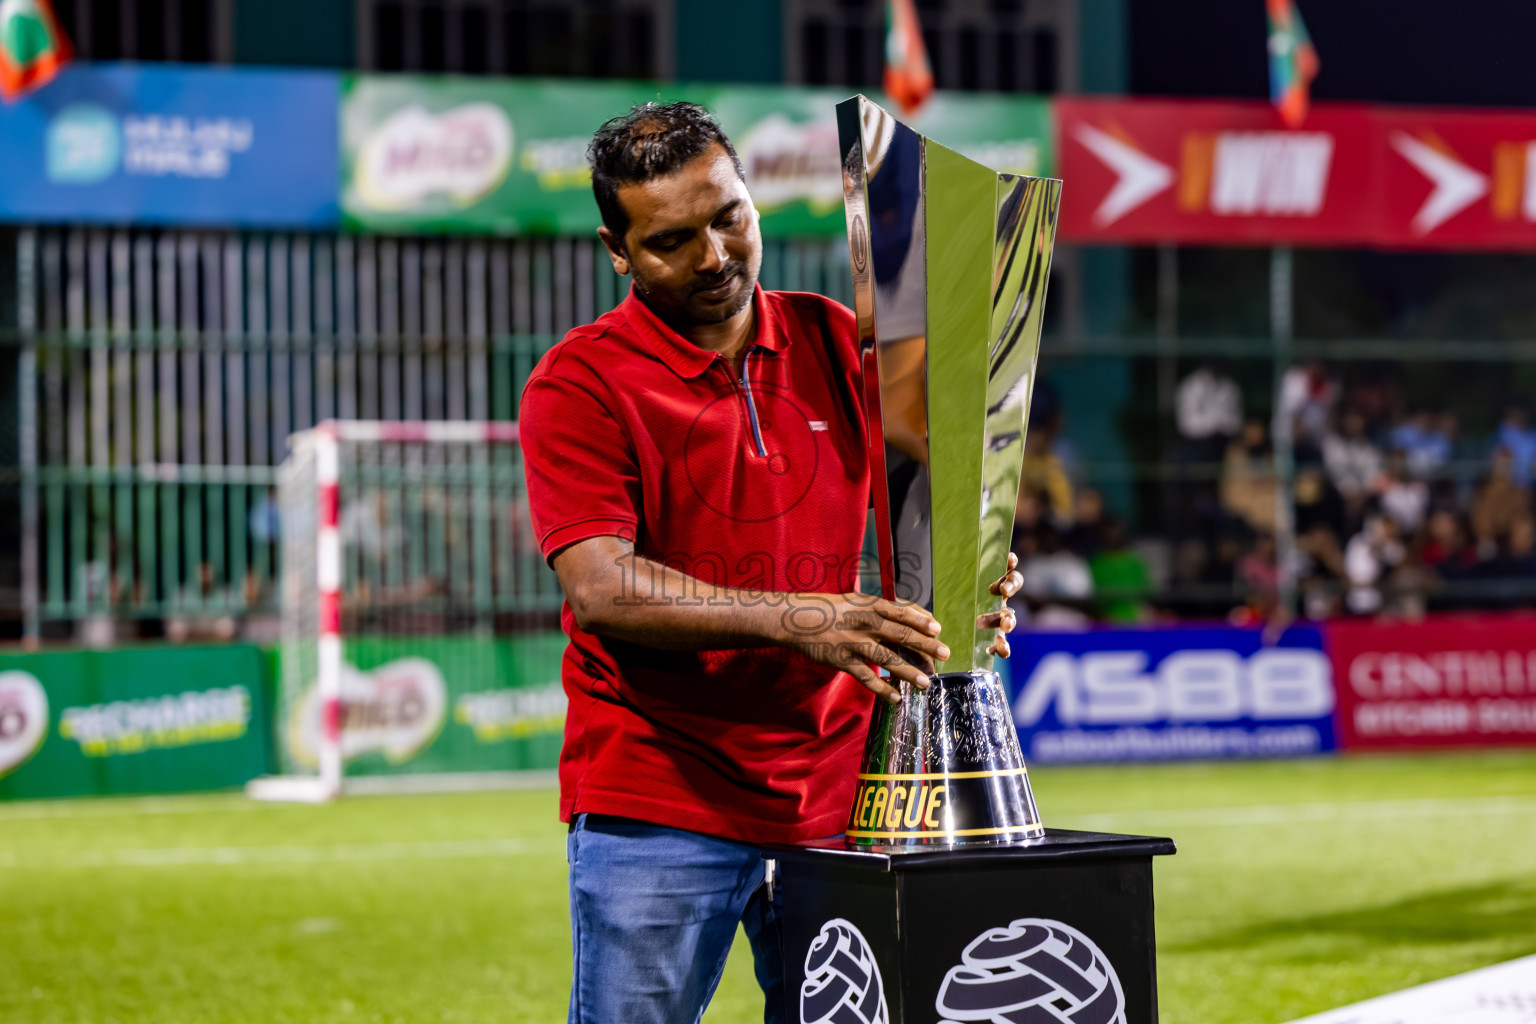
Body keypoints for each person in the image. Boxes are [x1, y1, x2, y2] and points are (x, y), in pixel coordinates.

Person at [518, 102, 1023, 1024]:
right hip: (659, 795)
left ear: (753, 200)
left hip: (842, 793)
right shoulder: (580, 381)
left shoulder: (842, 340)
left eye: (729, 218)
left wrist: (961, 583)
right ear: (616, 249)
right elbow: (601, 587)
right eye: (673, 239)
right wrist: (812, 618)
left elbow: (919, 517)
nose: (715, 255)